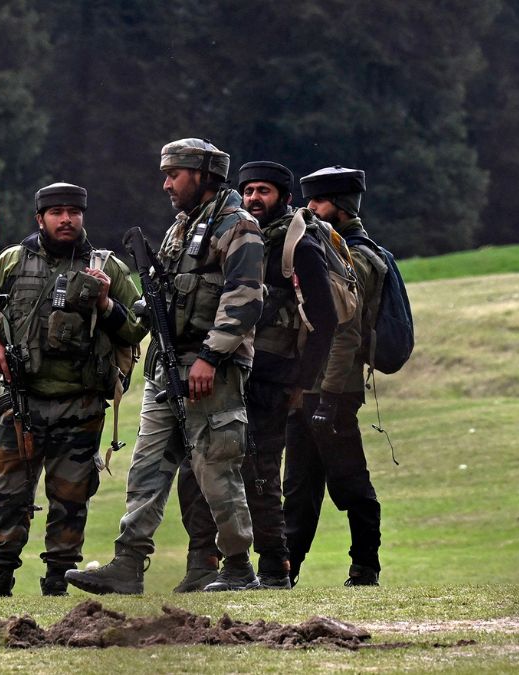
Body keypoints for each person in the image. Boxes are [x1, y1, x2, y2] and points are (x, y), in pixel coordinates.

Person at [65, 139, 265, 594]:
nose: (166, 183)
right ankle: (127, 564)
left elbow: (244, 299)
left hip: (209, 370)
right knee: (146, 468)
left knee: (216, 468)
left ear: (202, 174)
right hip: (167, 367)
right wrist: (116, 303)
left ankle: (237, 566)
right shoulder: (182, 227)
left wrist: (211, 357)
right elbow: (169, 294)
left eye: (174, 173)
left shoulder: (238, 227)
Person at [0, 182, 147, 598]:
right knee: (7, 494)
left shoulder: (108, 267)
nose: (66, 219)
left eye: (74, 212)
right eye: (57, 212)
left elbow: (137, 326)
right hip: (22, 401)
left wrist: (105, 305)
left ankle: (58, 579)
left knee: (71, 498)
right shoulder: (12, 261)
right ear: (40, 218)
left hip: (81, 404)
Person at [173, 161, 350, 591]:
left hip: (273, 378)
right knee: (203, 467)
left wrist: (301, 386)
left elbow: (324, 321)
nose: (254, 197)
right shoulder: (235, 238)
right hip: (234, 371)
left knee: (260, 472)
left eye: (264, 191)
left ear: (284, 197)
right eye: (249, 189)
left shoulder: (299, 245)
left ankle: (273, 568)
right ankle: (212, 565)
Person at [285, 165, 383, 587]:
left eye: (319, 201)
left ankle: (365, 566)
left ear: (341, 207)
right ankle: (283, 570)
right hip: (309, 388)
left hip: (333, 390)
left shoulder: (354, 258)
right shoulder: (330, 251)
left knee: (349, 481)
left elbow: (347, 332)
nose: (310, 208)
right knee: (298, 487)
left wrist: (327, 397)